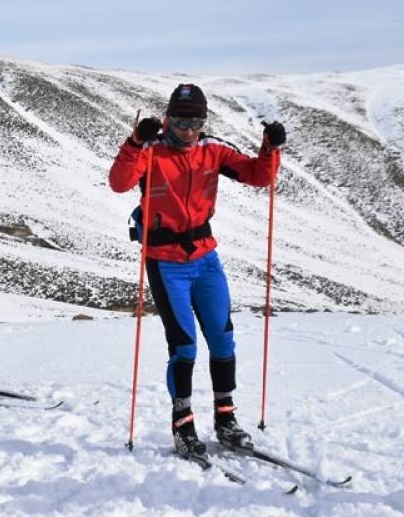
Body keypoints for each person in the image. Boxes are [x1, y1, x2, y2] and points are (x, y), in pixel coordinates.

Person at [108, 83, 287, 458]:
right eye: (181, 124)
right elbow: (120, 183)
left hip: (205, 259)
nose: (189, 132)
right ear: (168, 119)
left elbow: (258, 175)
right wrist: (135, 143)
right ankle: (183, 424)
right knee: (184, 346)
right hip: (164, 261)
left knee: (223, 341)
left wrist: (270, 150)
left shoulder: (214, 151)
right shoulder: (152, 153)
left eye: (196, 123)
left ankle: (226, 421)